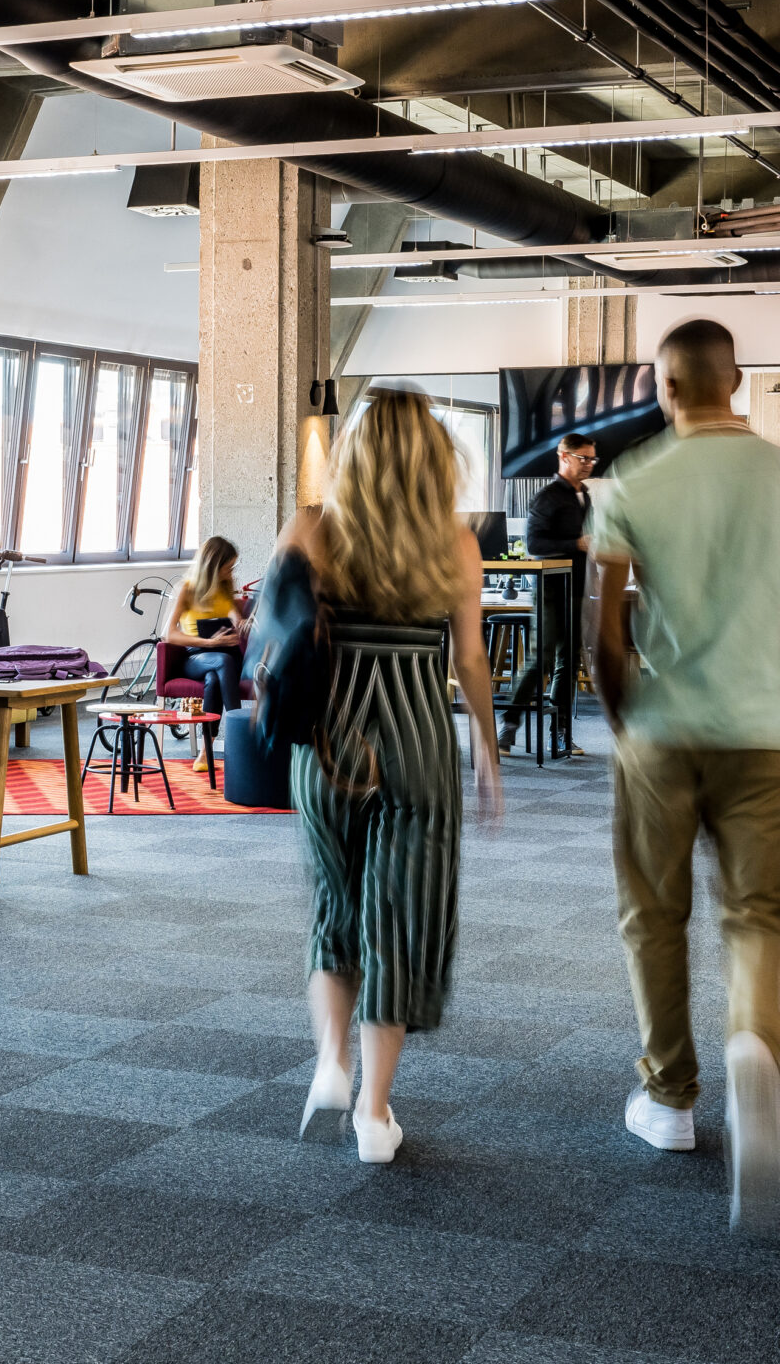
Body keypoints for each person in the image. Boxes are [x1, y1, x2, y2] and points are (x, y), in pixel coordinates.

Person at [590, 317, 780, 1234]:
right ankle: (756, 1043)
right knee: (756, 915)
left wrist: (627, 725)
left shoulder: (633, 480)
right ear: (738, 381)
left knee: (654, 916)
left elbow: (603, 636)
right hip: (763, 733)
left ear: (664, 388)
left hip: (663, 735)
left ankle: (670, 1100)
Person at [289, 388, 504, 1165]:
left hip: (328, 740)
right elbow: (471, 659)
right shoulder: (455, 542)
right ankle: (375, 1119)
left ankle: (331, 1064)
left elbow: (274, 640)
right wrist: (486, 746)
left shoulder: (313, 529)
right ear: (436, 458)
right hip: (415, 739)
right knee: (401, 923)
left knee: (335, 907)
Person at [503, 433, 596, 758]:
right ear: (564, 456)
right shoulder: (547, 497)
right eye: (583, 458)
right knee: (541, 659)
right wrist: (576, 545)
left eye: (592, 459)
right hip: (549, 590)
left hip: (575, 589)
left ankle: (560, 735)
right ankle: (508, 728)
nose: (588, 465)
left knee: (567, 664)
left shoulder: (582, 496)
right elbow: (534, 546)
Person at [164, 536, 247, 718]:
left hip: (226, 655)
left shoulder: (224, 588)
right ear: (212, 568)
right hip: (196, 656)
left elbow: (231, 612)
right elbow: (169, 634)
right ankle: (237, 724)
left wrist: (238, 621)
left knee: (214, 679)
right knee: (222, 662)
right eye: (227, 569)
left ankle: (207, 744)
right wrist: (210, 643)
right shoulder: (186, 590)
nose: (230, 573)